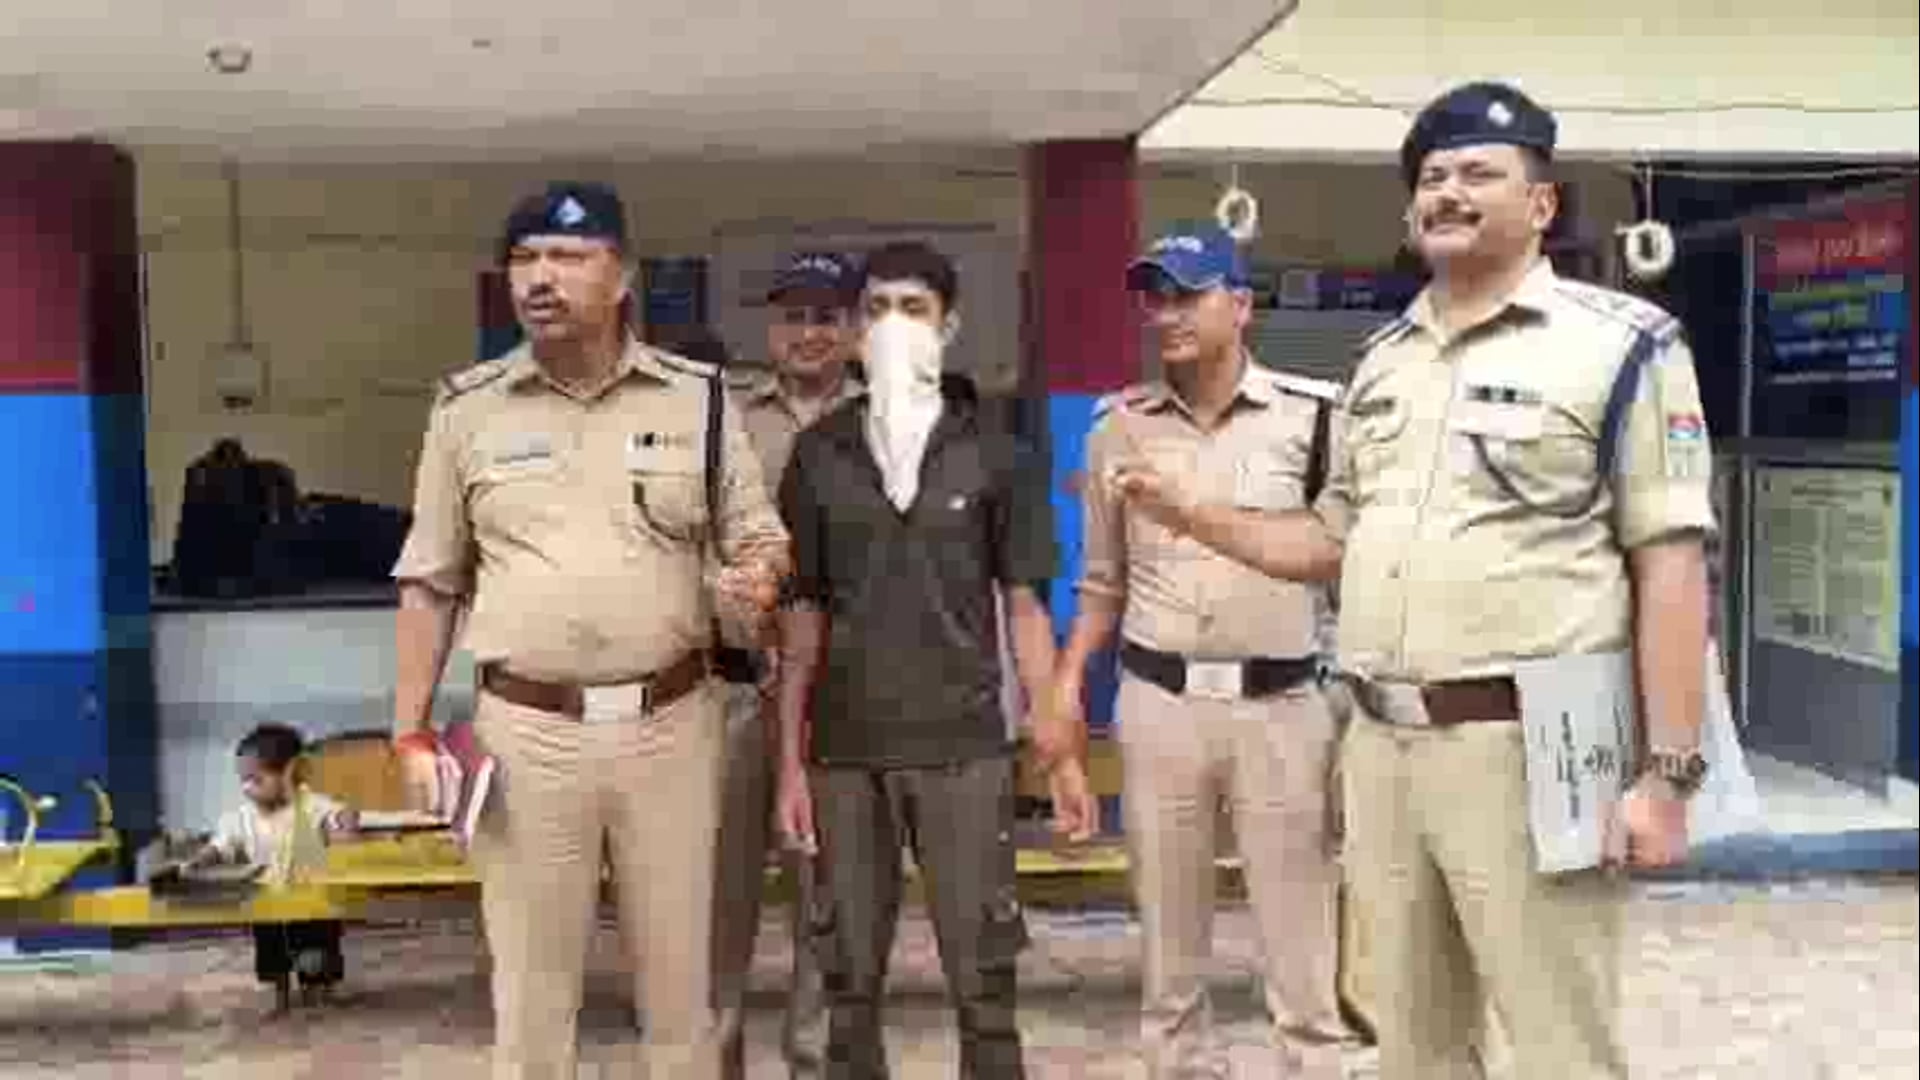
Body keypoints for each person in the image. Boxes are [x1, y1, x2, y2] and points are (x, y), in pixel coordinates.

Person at [1108, 82, 1716, 1079]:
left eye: (1479, 173)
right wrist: (1188, 515)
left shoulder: (1621, 346)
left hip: (1527, 749)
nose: (1449, 192)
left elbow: (1671, 560)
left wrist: (1668, 775)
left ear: (1542, 203)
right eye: (1432, 177)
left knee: (1560, 1039)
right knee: (1409, 1038)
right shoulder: (1383, 363)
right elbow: (1330, 540)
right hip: (1382, 749)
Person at [388, 180, 789, 1080]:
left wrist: (758, 578)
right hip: (526, 737)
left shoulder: (699, 401)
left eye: (569, 257)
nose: (542, 277)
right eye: (525, 259)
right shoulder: (466, 409)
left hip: (673, 731)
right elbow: (430, 581)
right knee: (533, 996)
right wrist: (409, 728)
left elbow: (758, 537)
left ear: (622, 277)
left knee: (681, 992)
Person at [773, 240, 1093, 1080]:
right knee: (848, 980)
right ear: (855, 330)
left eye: (913, 309)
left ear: (948, 327)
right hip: (845, 753)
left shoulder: (997, 454)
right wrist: (790, 763)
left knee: (984, 981)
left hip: (963, 750)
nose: (893, 326)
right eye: (876, 309)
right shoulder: (820, 455)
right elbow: (800, 617)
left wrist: (1058, 745)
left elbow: (1025, 607)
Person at [1050, 223, 1351, 1079]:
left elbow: (1341, 560)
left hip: (1282, 706)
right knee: (1169, 947)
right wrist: (1066, 687)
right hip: (1160, 705)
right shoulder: (1118, 426)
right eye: (1157, 297)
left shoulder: (1314, 418)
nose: (1169, 313)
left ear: (1242, 304)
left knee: (1301, 941)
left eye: (1190, 293)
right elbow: (1100, 580)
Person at [708, 251, 863, 1080]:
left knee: (828, 902)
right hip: (733, 691)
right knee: (715, 901)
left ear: (855, 328)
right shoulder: (723, 419)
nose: (809, 333)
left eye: (827, 317)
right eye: (794, 316)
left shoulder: (885, 422)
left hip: (841, 701)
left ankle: (814, 1060)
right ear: (770, 328)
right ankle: (715, 1060)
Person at [198, 722, 358, 1012]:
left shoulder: (309, 805)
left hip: (311, 901)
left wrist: (345, 828)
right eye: (243, 781)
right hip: (267, 901)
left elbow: (342, 814)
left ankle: (319, 990)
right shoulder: (242, 817)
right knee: (272, 954)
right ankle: (280, 993)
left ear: (290, 774)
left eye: (256, 780)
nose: (247, 788)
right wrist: (199, 861)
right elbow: (220, 846)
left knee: (317, 951)